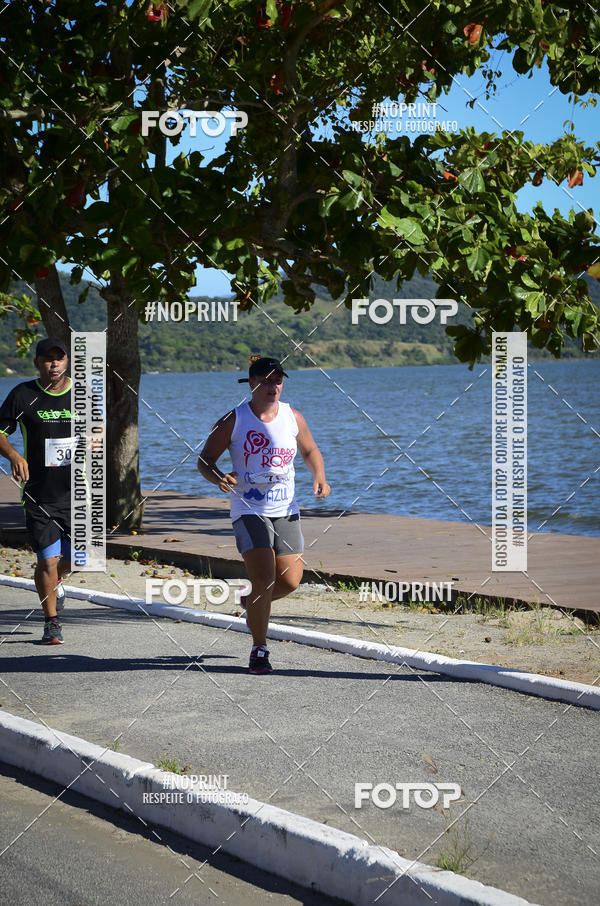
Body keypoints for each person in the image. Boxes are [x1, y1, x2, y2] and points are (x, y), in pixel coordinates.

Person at [198, 357, 330, 674]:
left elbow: (310, 450)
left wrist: (319, 476)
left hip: (286, 508)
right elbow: (204, 460)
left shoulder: (293, 416)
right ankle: (259, 648)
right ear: (252, 382)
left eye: (278, 381)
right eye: (267, 380)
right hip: (248, 508)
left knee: (291, 581)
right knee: (264, 579)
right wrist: (218, 478)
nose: (273, 386)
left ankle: (250, 601)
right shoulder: (234, 420)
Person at [0, 337, 75, 644]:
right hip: (39, 494)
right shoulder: (23, 394)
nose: (54, 364)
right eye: (48, 359)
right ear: (37, 363)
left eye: (59, 358)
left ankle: (55, 582)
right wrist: (14, 455)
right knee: (47, 560)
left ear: (67, 361)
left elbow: (99, 434)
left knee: (79, 560)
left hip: (79, 494)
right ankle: (52, 622)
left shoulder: (82, 395)